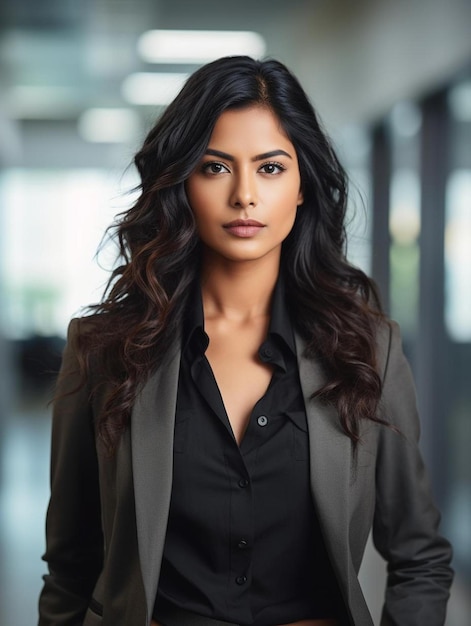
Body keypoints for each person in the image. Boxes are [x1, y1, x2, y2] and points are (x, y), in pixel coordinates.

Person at [38, 56, 453, 626]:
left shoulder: (367, 350)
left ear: (303, 185)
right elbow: (70, 568)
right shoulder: (104, 349)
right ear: (181, 183)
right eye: (214, 168)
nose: (244, 196)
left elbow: (419, 558)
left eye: (271, 168)